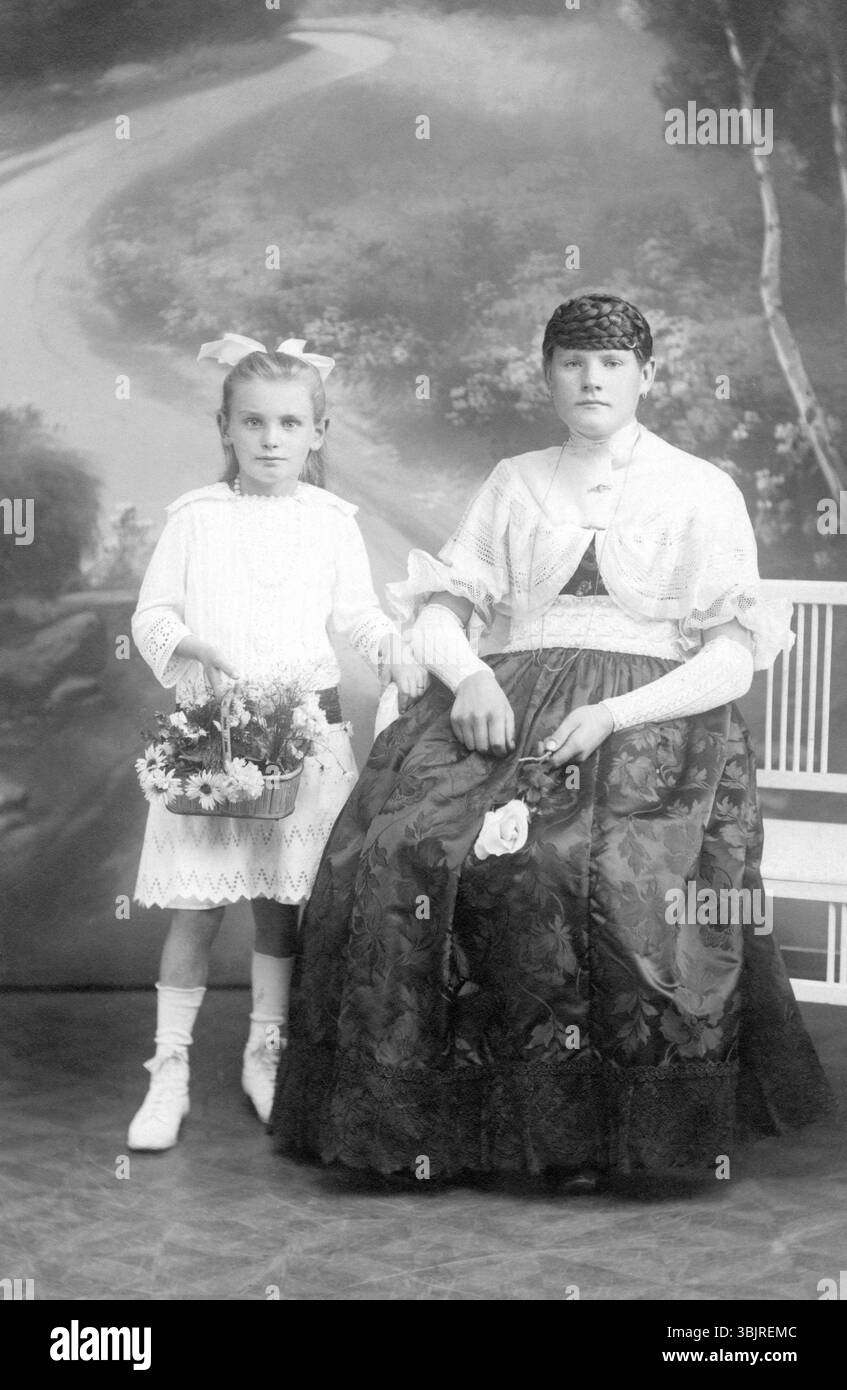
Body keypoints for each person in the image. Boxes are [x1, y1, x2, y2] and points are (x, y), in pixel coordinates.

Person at [269, 294, 834, 1189]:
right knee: (402, 846)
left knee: (587, 867)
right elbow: (447, 611)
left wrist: (616, 714)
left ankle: (593, 1129)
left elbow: (732, 658)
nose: (591, 379)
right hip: (508, 698)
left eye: (611, 363)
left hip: (652, 719)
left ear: (647, 376)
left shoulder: (699, 486)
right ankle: (444, 1118)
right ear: (546, 377)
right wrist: (473, 677)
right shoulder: (515, 478)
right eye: (571, 362)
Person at [127, 334, 426, 1151]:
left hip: (304, 737)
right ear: (224, 427)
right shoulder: (196, 517)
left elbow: (357, 615)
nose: (269, 439)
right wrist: (193, 649)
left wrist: (394, 647)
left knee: (282, 908)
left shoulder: (331, 522)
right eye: (252, 422)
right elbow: (152, 616)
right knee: (195, 908)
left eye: (289, 423)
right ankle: (169, 1070)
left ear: (317, 433)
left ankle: (268, 1051)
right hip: (214, 740)